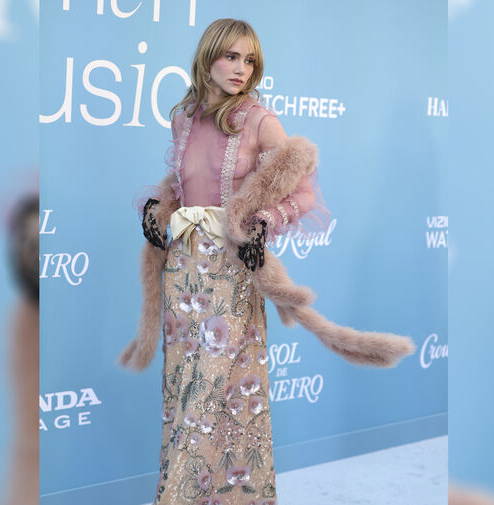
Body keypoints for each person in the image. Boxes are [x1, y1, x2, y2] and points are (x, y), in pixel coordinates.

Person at [118, 18, 415, 505]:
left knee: (220, 392)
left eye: (250, 60)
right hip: (182, 270)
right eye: (231, 56)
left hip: (231, 273)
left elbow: (304, 193)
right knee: (183, 391)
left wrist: (262, 222)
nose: (241, 68)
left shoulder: (260, 120)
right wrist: (158, 207)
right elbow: (182, 184)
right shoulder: (184, 118)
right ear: (208, 57)